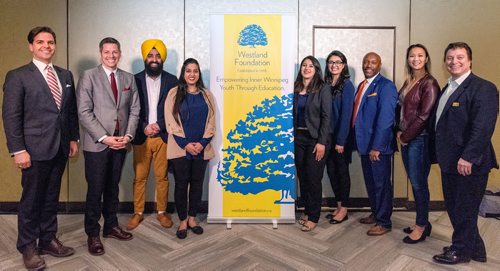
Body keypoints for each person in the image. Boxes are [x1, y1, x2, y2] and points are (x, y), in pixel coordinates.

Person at [2, 26, 79, 270]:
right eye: (40, 42)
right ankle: (28, 246)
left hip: (60, 148)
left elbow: (70, 112)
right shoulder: (18, 76)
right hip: (33, 150)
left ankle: (47, 239)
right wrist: (18, 150)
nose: (46, 46)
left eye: (50, 42)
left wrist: (73, 138)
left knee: (50, 197)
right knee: (31, 200)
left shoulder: (65, 75)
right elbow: (11, 117)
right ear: (31, 46)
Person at [431, 42, 498, 265]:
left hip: (469, 163)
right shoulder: (448, 86)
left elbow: (483, 127)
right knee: (456, 208)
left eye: (460, 57)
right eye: (450, 58)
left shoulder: (483, 88)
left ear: (470, 60)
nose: (454, 62)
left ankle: (460, 251)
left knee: (464, 209)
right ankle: (475, 249)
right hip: (450, 161)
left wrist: (468, 157)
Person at [76, 37, 140, 255]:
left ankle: (111, 226)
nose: (111, 56)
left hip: (121, 143)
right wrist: (105, 137)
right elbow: (84, 112)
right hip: (98, 145)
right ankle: (92, 234)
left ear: (120, 53)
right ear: (100, 53)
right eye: (107, 52)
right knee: (95, 190)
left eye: (115, 52)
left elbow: (134, 110)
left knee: (113, 187)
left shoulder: (128, 78)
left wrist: (128, 135)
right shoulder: (88, 76)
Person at [126, 39, 178, 230]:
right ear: (145, 58)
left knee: (162, 177)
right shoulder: (134, 79)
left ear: (162, 59)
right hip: (142, 137)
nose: (154, 59)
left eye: (158, 56)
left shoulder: (172, 80)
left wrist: (159, 125)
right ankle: (137, 212)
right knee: (140, 177)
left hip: (163, 136)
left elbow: (175, 109)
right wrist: (143, 126)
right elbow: (129, 109)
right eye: (150, 55)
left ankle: (162, 212)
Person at [165, 58, 215, 239]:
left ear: (199, 74)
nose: (192, 74)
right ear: (183, 73)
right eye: (188, 71)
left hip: (202, 148)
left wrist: (201, 143)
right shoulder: (174, 93)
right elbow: (170, 122)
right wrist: (186, 144)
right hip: (181, 148)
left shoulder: (207, 95)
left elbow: (212, 121)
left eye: (195, 71)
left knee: (196, 184)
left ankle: (193, 218)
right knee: (181, 185)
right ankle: (183, 220)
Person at [396, 44, 439, 244]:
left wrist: (405, 137)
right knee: (415, 182)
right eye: (412, 56)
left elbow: (423, 117)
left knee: (419, 184)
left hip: (418, 140)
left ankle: (421, 226)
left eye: (420, 55)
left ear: (426, 58)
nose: (416, 59)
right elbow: (402, 109)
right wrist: (399, 130)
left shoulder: (429, 83)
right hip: (407, 138)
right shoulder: (409, 81)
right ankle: (422, 222)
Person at [354, 52, 398, 236]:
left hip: (377, 148)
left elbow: (386, 119)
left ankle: (384, 222)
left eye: (373, 62)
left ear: (379, 65)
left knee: (381, 185)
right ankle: (376, 213)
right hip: (364, 145)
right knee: (371, 184)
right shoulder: (362, 85)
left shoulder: (386, 86)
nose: (368, 65)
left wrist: (377, 146)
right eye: (366, 62)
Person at [293, 56, 332, 232]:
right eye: (304, 65)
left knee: (314, 178)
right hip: (298, 139)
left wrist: (322, 142)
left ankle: (314, 216)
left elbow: (327, 117)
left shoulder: (323, 88)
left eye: (311, 66)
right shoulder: (295, 88)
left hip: (315, 140)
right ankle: (308, 211)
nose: (307, 68)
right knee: (303, 177)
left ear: (316, 69)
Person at [323, 51, 354, 224]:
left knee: (342, 173)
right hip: (327, 137)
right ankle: (338, 205)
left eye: (338, 62)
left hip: (341, 138)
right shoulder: (326, 84)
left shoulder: (347, 85)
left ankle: (344, 209)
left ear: (343, 65)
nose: (334, 65)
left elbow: (346, 115)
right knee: (331, 171)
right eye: (331, 62)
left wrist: (341, 141)